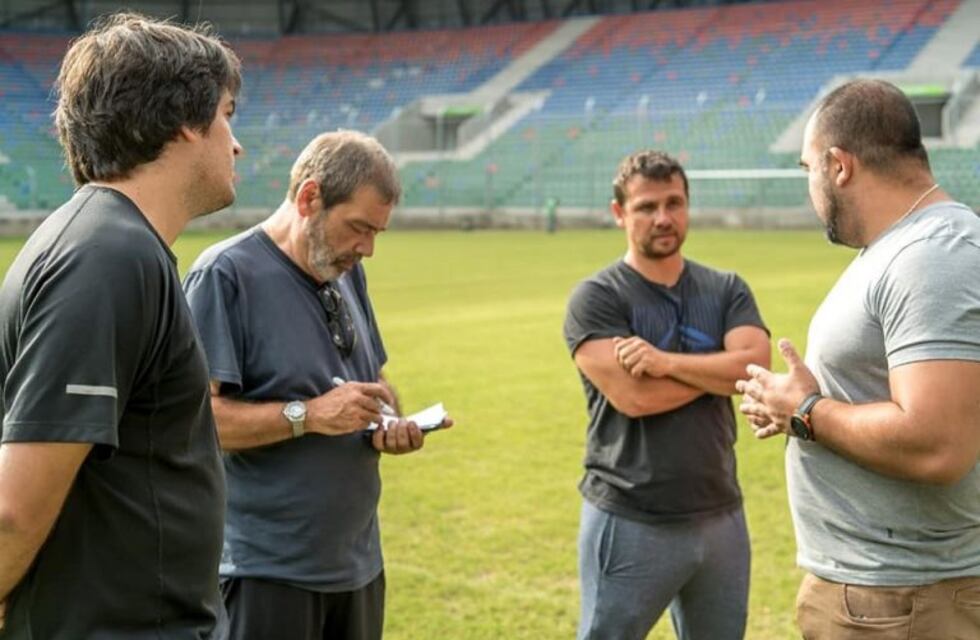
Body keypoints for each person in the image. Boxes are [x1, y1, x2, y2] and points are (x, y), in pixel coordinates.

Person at [0, 12, 242, 639]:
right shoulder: (107, 255)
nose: (235, 142)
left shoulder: (109, 243)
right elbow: (13, 511)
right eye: (227, 115)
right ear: (186, 121)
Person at [736, 78, 980, 639]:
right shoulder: (901, 248)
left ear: (839, 166)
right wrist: (791, 405)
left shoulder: (932, 256)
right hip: (886, 594)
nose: (810, 189)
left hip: (905, 603)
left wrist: (808, 410)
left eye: (807, 171)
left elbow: (938, 443)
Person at [183, 130, 450, 640]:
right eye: (358, 228)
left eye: (377, 233)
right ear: (309, 198)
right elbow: (195, 422)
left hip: (357, 563)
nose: (367, 248)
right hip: (266, 572)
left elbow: (371, 381)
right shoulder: (225, 275)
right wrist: (307, 415)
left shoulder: (346, 271)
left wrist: (390, 421)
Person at [563, 150, 770, 640]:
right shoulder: (597, 298)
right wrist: (717, 370)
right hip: (632, 516)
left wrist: (665, 362)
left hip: (720, 513)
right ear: (619, 214)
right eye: (646, 207)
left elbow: (754, 368)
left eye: (674, 203)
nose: (664, 218)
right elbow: (635, 397)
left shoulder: (725, 289)